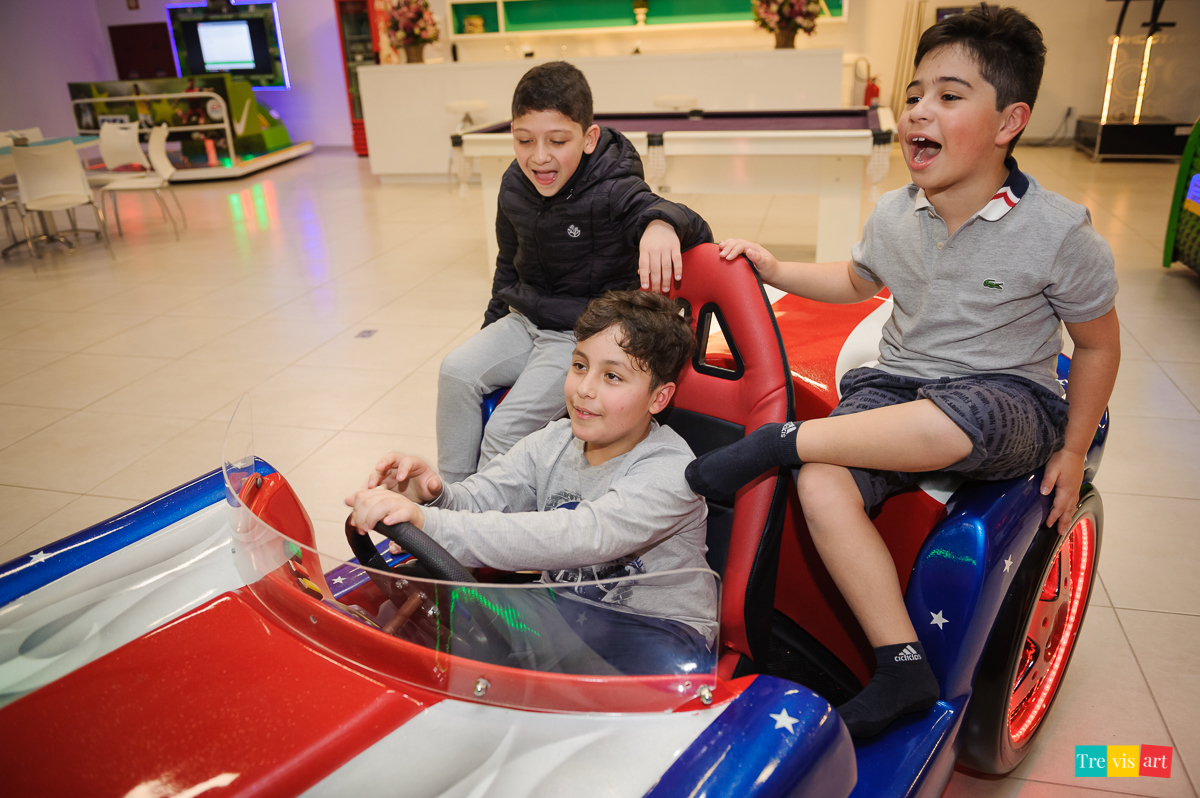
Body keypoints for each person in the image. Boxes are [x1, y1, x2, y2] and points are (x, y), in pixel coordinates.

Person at [685, 6, 1119, 737]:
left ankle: (779, 442)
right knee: (821, 483)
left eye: (949, 96)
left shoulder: (1059, 232)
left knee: (948, 419)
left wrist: (1072, 450)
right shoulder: (895, 212)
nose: (919, 109)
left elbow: (1099, 346)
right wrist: (776, 269)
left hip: (1006, 395)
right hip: (900, 383)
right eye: (915, 94)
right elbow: (857, 281)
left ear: (1010, 121)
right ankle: (902, 663)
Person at [348, 290, 716, 673]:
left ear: (659, 398)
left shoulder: (671, 469)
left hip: (659, 633)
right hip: (562, 612)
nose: (584, 388)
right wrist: (433, 496)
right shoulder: (552, 442)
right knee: (420, 607)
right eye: (579, 365)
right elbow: (484, 499)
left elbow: (583, 535)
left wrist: (434, 524)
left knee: (517, 665)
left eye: (611, 376)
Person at [436, 61, 712, 485]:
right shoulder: (513, 184)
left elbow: (683, 218)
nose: (539, 156)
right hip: (526, 321)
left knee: (505, 430)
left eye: (558, 141)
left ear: (589, 138)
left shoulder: (612, 185)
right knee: (455, 372)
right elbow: (507, 266)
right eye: (524, 140)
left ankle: (488, 518)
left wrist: (661, 223)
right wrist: (490, 332)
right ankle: (453, 497)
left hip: (580, 334)